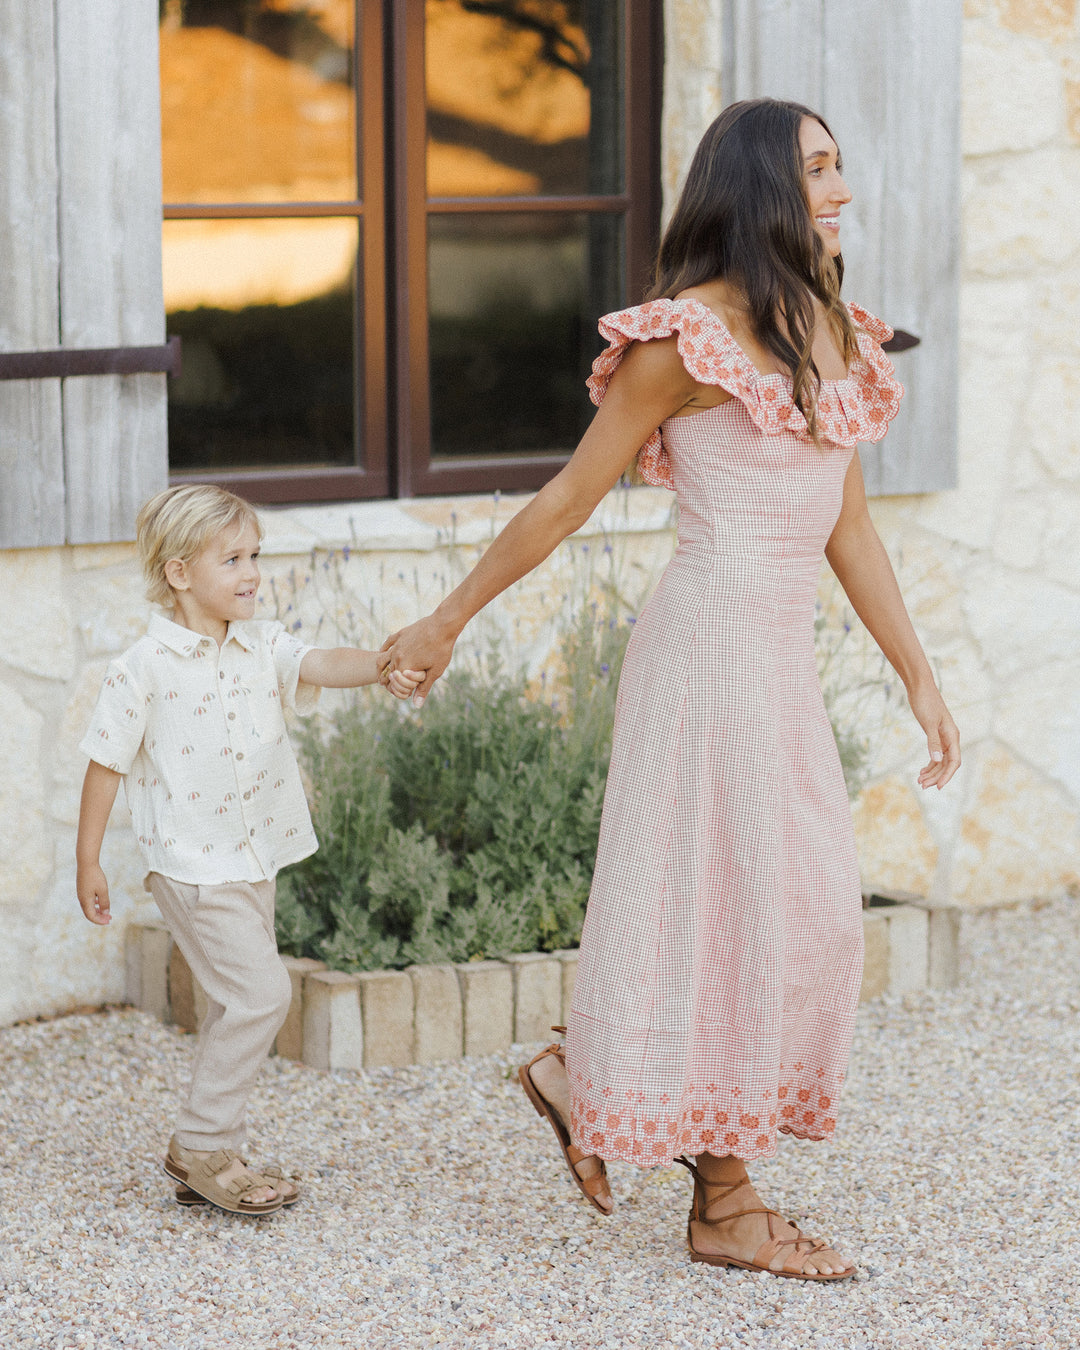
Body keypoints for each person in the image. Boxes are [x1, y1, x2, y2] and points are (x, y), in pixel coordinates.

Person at [381, 99, 960, 1280]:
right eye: (816, 170)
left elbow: (846, 524)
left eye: (843, 165)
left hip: (777, 663)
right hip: (701, 659)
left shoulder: (831, 332)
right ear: (757, 192)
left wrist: (919, 674)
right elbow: (562, 501)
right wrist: (445, 621)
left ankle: (576, 1077)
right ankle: (727, 1203)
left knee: (811, 918)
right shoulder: (680, 343)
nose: (842, 189)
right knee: (730, 913)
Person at [76, 484, 422, 1215]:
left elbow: (322, 662)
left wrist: (385, 662)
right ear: (178, 573)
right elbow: (104, 762)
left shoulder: (262, 643)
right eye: (231, 558)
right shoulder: (144, 667)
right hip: (193, 865)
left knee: (233, 1000)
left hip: (253, 855)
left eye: (255, 555)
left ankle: (215, 1146)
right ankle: (201, 1143)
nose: (252, 572)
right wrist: (87, 859)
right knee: (261, 994)